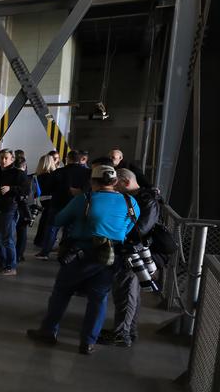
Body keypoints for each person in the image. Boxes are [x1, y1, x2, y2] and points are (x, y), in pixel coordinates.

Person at [27, 164, 139, 355]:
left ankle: (48, 331)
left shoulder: (84, 199)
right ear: (114, 181)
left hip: (80, 256)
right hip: (110, 258)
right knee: (98, 299)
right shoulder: (130, 202)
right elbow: (128, 227)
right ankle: (87, 343)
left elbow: (59, 220)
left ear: (92, 181)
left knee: (61, 293)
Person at [103, 168, 162, 347]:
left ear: (126, 182)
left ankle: (122, 334)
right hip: (131, 250)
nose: (114, 188)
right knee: (130, 293)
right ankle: (127, 330)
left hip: (132, 252)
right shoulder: (141, 198)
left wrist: (117, 233)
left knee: (127, 292)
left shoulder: (145, 200)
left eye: (117, 184)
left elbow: (140, 229)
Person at [36, 149, 88, 259]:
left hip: (57, 203)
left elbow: (48, 188)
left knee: (52, 228)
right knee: (69, 230)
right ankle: (64, 253)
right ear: (80, 159)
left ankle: (45, 253)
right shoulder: (87, 173)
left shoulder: (58, 172)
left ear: (67, 159)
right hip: (76, 204)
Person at [32, 152, 61, 259]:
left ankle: (39, 240)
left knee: (44, 220)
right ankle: (44, 242)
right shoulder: (51, 176)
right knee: (49, 224)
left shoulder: (38, 175)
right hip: (51, 199)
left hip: (42, 199)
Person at [12, 150, 33, 265]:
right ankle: (20, 254)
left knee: (11, 231)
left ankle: (15, 254)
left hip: (15, 206)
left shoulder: (12, 177)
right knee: (22, 232)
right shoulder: (27, 178)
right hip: (24, 207)